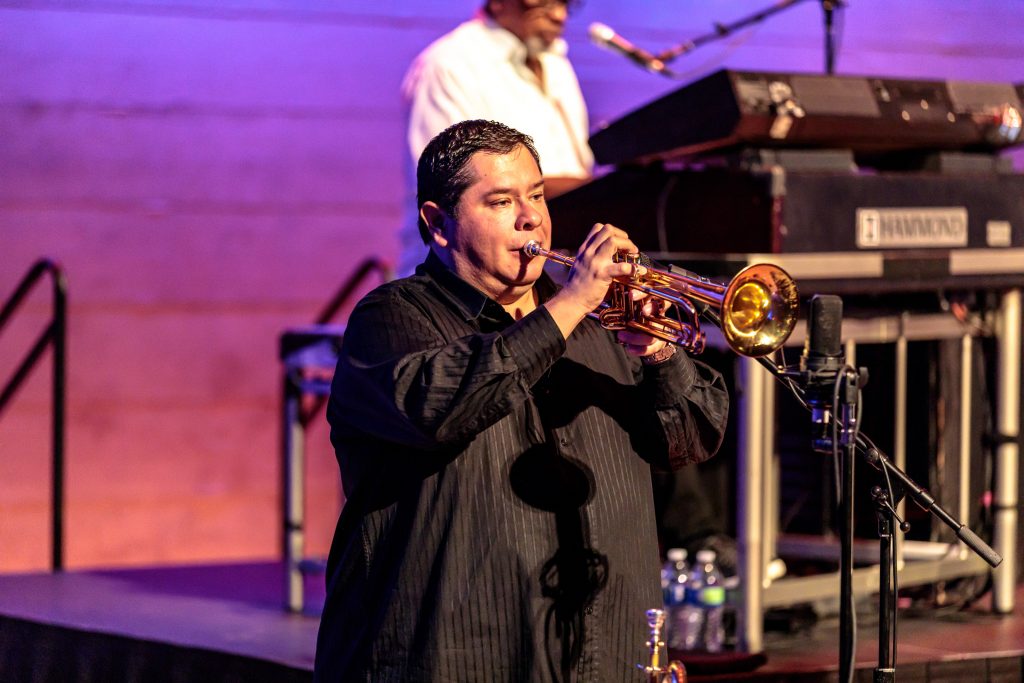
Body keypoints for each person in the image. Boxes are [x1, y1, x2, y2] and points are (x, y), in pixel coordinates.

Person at [312, 120, 729, 682]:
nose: (531, 216)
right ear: (438, 223)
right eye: (501, 200)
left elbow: (693, 439)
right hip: (457, 659)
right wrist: (570, 305)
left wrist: (657, 351)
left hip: (604, 656)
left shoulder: (600, 324)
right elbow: (440, 407)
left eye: (536, 195)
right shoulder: (391, 318)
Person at [398, 0, 592, 277]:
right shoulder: (450, 65)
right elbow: (463, 188)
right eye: (541, 2)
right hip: (462, 292)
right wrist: (609, 190)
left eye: (566, 3)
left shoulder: (556, 65)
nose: (559, 15)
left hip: (545, 277)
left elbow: (576, 166)